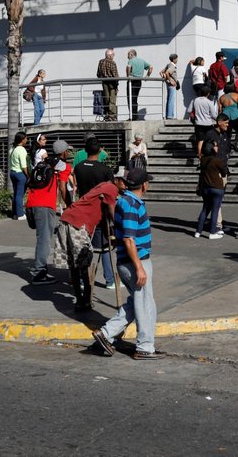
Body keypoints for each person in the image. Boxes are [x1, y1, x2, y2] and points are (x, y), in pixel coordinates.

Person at [91, 168, 163, 360]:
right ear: (144, 185)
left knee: (138, 302)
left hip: (130, 261)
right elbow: (129, 240)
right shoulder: (131, 205)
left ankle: (106, 333)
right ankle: (145, 347)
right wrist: (139, 267)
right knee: (145, 305)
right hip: (135, 262)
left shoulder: (125, 201)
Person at [57, 176, 121, 312]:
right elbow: (111, 212)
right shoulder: (111, 188)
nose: (126, 187)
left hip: (68, 219)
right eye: (125, 184)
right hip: (77, 223)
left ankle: (82, 300)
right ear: (118, 180)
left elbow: (103, 212)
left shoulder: (104, 184)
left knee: (75, 264)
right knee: (82, 263)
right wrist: (120, 229)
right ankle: (84, 300)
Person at [73, 137, 117, 290]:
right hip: (99, 212)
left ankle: (81, 279)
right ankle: (110, 280)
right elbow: (110, 193)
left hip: (82, 211)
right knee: (105, 246)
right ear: (100, 150)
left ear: (85, 150)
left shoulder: (78, 167)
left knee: (82, 245)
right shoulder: (105, 170)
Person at [26, 144, 61, 286]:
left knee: (43, 237)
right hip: (44, 207)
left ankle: (41, 269)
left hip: (32, 204)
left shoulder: (36, 169)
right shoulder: (53, 169)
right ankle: (39, 273)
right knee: (44, 240)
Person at [195, 140, 228, 239]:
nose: (217, 148)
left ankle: (198, 231)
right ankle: (213, 232)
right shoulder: (217, 160)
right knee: (215, 210)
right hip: (217, 188)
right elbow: (224, 172)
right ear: (211, 148)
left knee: (205, 209)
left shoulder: (203, 160)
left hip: (205, 188)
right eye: (215, 146)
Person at [218, 83, 238, 152]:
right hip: (235, 115)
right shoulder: (236, 95)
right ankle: (235, 142)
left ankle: (228, 149)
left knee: (228, 134)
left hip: (226, 116)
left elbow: (219, 110)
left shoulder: (221, 97)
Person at [192, 85, 218, 159]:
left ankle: (199, 155)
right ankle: (214, 151)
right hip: (208, 124)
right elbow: (214, 115)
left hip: (198, 123)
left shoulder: (195, 100)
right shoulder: (209, 102)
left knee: (200, 140)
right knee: (212, 138)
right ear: (208, 93)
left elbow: (189, 110)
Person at [8, 131, 30, 220]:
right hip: (20, 174)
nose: (27, 140)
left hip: (13, 172)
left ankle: (15, 212)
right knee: (20, 195)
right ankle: (20, 214)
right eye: (26, 139)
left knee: (16, 193)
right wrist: (28, 176)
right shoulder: (21, 150)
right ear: (22, 140)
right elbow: (24, 166)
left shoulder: (12, 148)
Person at [126, 49, 153, 121]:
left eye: (128, 55)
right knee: (135, 98)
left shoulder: (131, 60)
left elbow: (128, 67)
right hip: (139, 81)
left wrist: (128, 76)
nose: (127, 57)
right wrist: (147, 76)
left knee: (130, 98)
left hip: (132, 81)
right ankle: (135, 116)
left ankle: (133, 116)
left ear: (131, 54)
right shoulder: (141, 61)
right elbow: (151, 67)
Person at [97, 48, 119, 121]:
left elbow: (98, 74)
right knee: (112, 100)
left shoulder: (101, 62)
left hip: (104, 82)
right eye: (113, 55)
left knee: (106, 98)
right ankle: (111, 116)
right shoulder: (112, 63)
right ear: (110, 55)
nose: (113, 57)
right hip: (112, 83)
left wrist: (103, 78)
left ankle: (107, 114)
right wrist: (117, 85)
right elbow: (115, 75)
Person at [160, 53, 180, 120]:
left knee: (169, 99)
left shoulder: (168, 65)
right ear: (174, 59)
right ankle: (170, 116)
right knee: (171, 100)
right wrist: (170, 80)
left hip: (169, 84)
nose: (177, 60)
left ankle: (168, 115)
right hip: (171, 85)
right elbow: (167, 72)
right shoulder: (172, 65)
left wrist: (166, 79)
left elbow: (161, 72)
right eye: (177, 58)